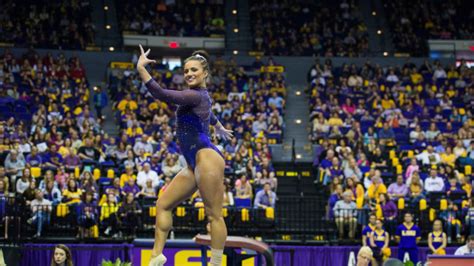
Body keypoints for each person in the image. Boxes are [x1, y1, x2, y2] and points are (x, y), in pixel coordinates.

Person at [137, 45, 233, 266]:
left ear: (205, 73)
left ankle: (216, 262)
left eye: (194, 70)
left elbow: (162, 94)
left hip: (206, 157)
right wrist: (218, 125)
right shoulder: (199, 97)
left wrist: (141, 69)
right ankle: (156, 256)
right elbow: (207, 112)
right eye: (186, 70)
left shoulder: (194, 95)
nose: (189, 74)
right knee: (163, 203)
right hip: (193, 162)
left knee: (213, 214)